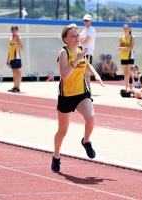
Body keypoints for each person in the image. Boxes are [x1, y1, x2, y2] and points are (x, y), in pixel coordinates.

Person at [51, 24, 105, 173]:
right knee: (62, 131)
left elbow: (86, 64)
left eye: (77, 35)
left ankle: (86, 141)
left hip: (81, 93)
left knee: (91, 118)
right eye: (73, 36)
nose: (76, 38)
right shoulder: (64, 52)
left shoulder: (81, 51)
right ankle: (56, 156)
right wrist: (76, 60)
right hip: (66, 95)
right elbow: (65, 77)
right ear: (65, 39)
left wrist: (96, 74)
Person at [80, 14, 96, 89]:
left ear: (90, 21)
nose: (86, 22)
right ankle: (85, 87)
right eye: (85, 20)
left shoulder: (91, 30)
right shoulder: (84, 30)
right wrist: (82, 38)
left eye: (87, 20)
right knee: (83, 70)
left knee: (87, 71)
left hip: (88, 52)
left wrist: (82, 38)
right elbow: (79, 38)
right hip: (83, 53)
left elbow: (85, 41)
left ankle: (88, 88)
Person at [118, 24, 135, 89]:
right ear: (123, 29)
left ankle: (132, 87)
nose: (126, 29)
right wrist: (126, 47)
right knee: (125, 74)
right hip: (123, 57)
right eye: (125, 28)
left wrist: (123, 48)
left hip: (130, 56)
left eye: (127, 28)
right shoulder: (121, 37)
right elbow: (118, 48)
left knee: (130, 73)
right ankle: (126, 87)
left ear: (130, 29)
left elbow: (131, 48)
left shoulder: (132, 37)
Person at [6, 26, 23, 92]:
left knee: (18, 72)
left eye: (15, 30)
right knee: (14, 72)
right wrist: (7, 59)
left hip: (17, 57)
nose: (14, 31)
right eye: (13, 30)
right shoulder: (10, 39)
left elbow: (21, 48)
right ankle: (14, 86)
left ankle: (18, 87)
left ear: (17, 31)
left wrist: (15, 42)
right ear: (11, 31)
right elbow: (9, 49)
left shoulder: (19, 38)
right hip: (12, 57)